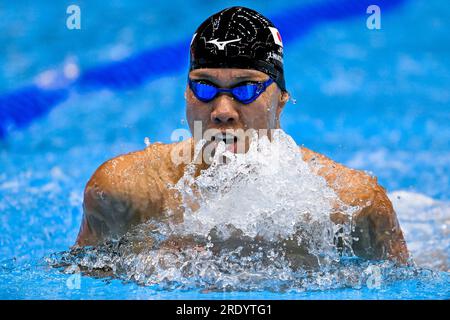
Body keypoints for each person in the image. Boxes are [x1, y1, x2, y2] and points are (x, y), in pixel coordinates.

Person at [75, 6, 408, 264]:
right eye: (204, 87)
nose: (222, 110)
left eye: (246, 88)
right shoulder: (124, 192)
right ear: (186, 94)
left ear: (281, 99)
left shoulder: (350, 204)